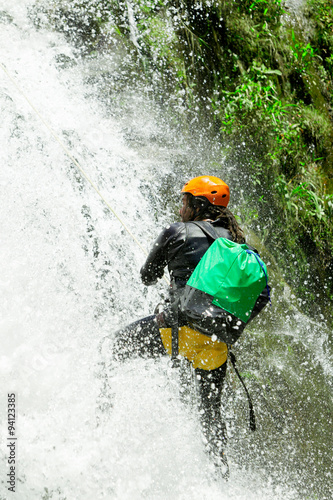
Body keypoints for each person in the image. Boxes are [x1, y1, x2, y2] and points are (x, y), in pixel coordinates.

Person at [111, 175, 267, 477]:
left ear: (196, 205)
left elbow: (147, 277)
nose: (180, 206)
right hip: (215, 344)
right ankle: (220, 477)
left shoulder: (177, 232)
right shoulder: (236, 245)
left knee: (110, 349)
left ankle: (99, 421)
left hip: (176, 332)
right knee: (210, 412)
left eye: (184, 200)